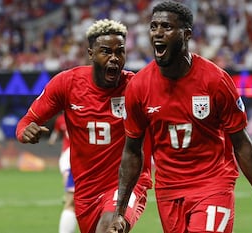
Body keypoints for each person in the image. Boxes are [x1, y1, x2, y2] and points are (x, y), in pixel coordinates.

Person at [108, 1, 252, 233]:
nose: (158, 33)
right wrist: (119, 212)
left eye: (167, 27)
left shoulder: (215, 80)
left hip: (213, 183)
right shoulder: (139, 87)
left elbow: (241, 143)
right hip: (168, 190)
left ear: (186, 34)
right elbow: (132, 151)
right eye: (154, 26)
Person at [15, 19, 152, 233]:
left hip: (127, 184)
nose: (114, 58)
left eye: (120, 51)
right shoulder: (67, 84)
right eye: (106, 51)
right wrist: (26, 132)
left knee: (109, 228)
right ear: (90, 53)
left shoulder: (136, 88)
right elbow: (25, 123)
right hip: (87, 189)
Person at [48, 113, 78, 233]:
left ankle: (69, 195)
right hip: (69, 153)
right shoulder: (60, 120)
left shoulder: (78, 113)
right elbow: (56, 131)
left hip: (79, 154)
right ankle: (68, 194)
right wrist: (52, 140)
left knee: (72, 203)